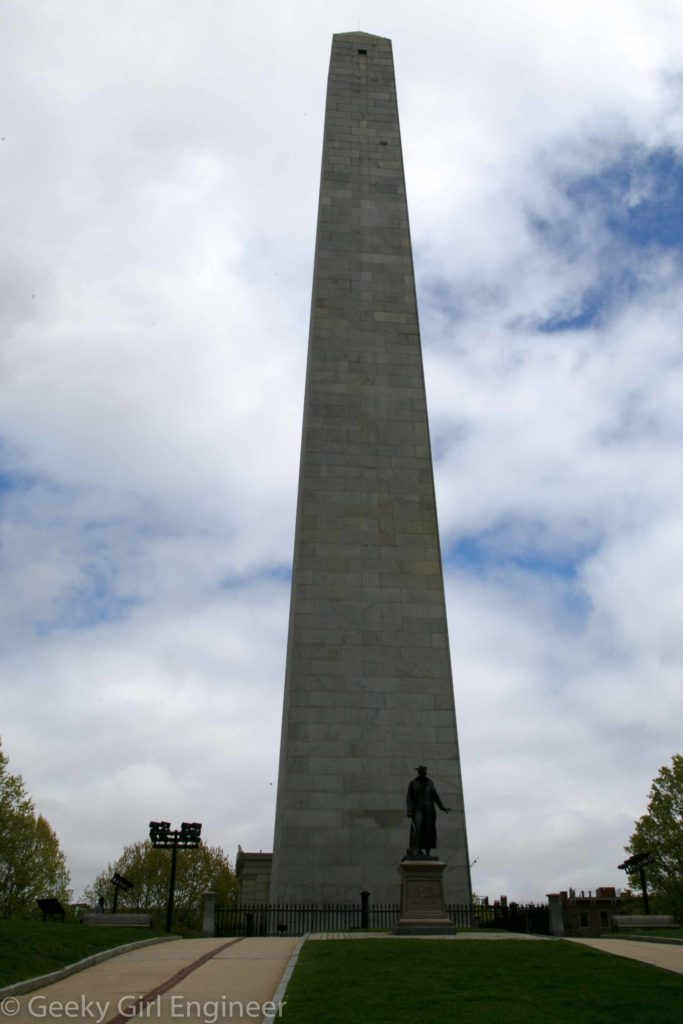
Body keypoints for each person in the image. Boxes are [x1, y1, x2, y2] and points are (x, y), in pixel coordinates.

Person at [406, 765, 450, 856]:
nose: (423, 775)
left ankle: (428, 852)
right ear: (418, 772)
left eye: (424, 773)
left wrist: (442, 807)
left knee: (429, 830)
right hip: (418, 809)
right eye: (422, 773)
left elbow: (435, 795)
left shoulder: (429, 783)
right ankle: (415, 849)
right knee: (416, 829)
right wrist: (409, 810)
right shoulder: (413, 783)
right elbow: (409, 798)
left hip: (429, 810)